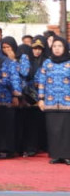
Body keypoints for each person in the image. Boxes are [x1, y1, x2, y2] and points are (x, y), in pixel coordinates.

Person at [37, 36, 70, 164]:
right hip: (50, 102)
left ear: (65, 48)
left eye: (60, 46)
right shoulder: (47, 63)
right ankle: (56, 154)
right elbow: (42, 81)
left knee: (66, 130)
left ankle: (67, 155)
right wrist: (41, 99)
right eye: (55, 46)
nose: (57, 49)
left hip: (67, 102)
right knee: (53, 129)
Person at [0, 37, 24, 159]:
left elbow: (17, 77)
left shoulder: (15, 60)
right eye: (4, 47)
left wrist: (16, 95)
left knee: (9, 124)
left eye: (8, 47)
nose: (6, 50)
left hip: (8, 97)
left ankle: (8, 149)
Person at [17, 37, 46, 157]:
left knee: (34, 124)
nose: (37, 51)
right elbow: (23, 73)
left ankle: (33, 147)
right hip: (24, 96)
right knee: (24, 123)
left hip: (37, 97)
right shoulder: (25, 60)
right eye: (34, 48)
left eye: (39, 49)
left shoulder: (44, 62)